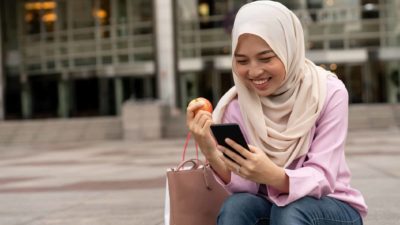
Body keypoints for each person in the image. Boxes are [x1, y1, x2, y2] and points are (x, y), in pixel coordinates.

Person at [186, 1, 368, 225]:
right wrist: (209, 149)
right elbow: (245, 186)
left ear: (288, 50)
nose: (254, 72)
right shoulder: (235, 105)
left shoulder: (328, 92)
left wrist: (272, 174)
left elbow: (323, 178)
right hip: (271, 206)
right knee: (236, 207)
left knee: (290, 211)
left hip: (331, 205)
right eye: (242, 60)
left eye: (266, 58)